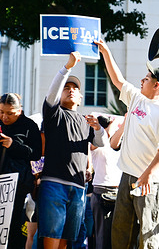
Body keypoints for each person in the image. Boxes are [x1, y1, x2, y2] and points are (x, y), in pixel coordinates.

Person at [95, 39, 159, 249]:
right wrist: (105, 51)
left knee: (148, 235)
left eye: (147, 78)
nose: (142, 79)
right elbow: (117, 79)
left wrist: (148, 174)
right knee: (121, 231)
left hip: (150, 181)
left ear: (156, 85)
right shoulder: (136, 98)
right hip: (127, 176)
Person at [39, 51, 107, 249]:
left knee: (67, 240)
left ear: (80, 97)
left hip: (78, 188)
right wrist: (67, 68)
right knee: (51, 236)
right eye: (66, 87)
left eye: (75, 88)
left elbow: (101, 142)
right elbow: (51, 94)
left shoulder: (87, 121)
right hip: (53, 184)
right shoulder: (54, 114)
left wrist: (98, 128)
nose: (70, 90)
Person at [0, 93, 42, 249]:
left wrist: (13, 145)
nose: (5, 117)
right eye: (1, 112)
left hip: (16, 185)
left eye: (10, 113)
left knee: (12, 224)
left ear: (19, 110)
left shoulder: (29, 125)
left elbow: (36, 153)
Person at [90, 115, 122, 249]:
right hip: (102, 191)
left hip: (120, 191)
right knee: (103, 237)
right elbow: (95, 145)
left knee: (119, 237)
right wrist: (110, 127)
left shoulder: (119, 143)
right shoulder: (98, 143)